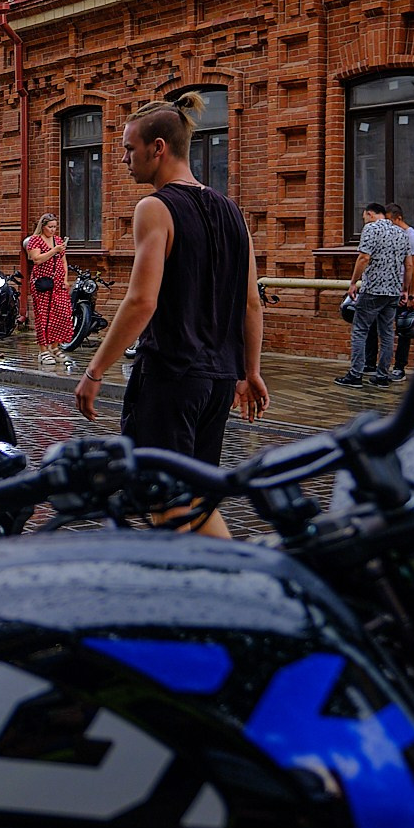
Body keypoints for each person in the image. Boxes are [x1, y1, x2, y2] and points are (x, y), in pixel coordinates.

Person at [74, 95, 266, 539]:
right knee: (190, 500)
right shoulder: (233, 212)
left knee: (169, 501)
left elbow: (142, 301)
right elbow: (251, 302)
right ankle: (212, 584)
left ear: (158, 147)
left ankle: (234, 580)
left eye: (128, 148)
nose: (123, 159)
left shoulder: (155, 208)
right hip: (218, 380)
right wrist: (249, 371)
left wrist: (95, 369)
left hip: (171, 378)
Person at [338, 201, 409, 387]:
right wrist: (405, 290)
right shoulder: (401, 233)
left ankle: (355, 375)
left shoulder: (371, 229)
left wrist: (353, 282)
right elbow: (408, 265)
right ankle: (382, 376)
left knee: (360, 330)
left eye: (364, 217)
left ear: (370, 214)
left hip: (373, 289)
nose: (364, 221)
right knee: (387, 333)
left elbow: (364, 257)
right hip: (393, 291)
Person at [23, 214, 73, 367]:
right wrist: (54, 250)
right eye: (50, 227)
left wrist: (65, 279)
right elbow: (36, 259)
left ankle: (55, 346)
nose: (52, 230)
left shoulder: (57, 240)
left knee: (62, 314)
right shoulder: (35, 240)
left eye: (54, 227)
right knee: (43, 316)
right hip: (42, 282)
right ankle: (43, 350)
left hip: (58, 283)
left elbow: (63, 260)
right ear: (42, 226)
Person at [387, 202, 414, 377]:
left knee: (403, 330)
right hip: (389, 289)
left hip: (403, 292)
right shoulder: (392, 236)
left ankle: (399, 367)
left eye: (389, 221)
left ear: (398, 218)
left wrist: (411, 295)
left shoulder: (413, 237)